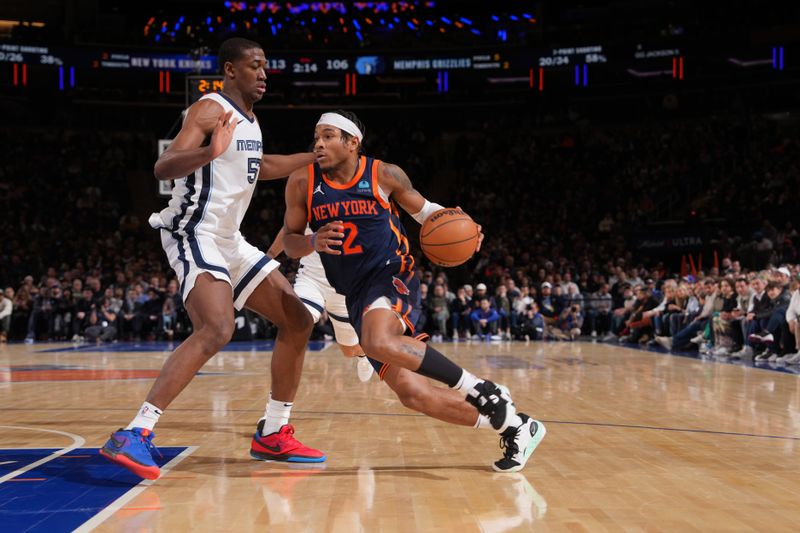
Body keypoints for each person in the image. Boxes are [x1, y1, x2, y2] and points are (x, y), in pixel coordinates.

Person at [100, 37, 321, 480]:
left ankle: (273, 432)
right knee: (218, 327)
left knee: (298, 319)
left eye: (265, 67)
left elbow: (265, 164)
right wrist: (208, 152)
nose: (263, 74)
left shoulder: (251, 123)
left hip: (229, 239)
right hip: (191, 230)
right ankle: (135, 432)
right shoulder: (208, 109)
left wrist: (316, 157)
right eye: (254, 66)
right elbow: (164, 167)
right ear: (230, 70)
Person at [280, 110, 545, 472]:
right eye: (316, 137)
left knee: (374, 341)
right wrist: (312, 240)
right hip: (354, 291)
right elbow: (291, 242)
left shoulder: (383, 174)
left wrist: (465, 228)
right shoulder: (301, 182)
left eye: (328, 136)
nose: (318, 144)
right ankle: (515, 425)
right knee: (412, 394)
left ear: (352, 142)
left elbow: (428, 213)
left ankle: (481, 389)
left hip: (390, 273)